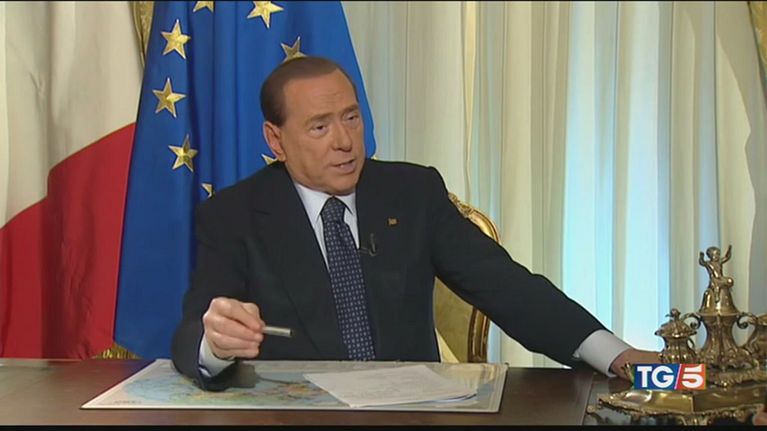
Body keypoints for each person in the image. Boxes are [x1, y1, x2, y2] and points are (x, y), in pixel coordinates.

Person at [171, 56, 658, 391]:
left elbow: (507, 287)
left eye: (351, 117)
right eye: (320, 126)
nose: (345, 141)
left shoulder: (412, 192)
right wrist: (216, 343)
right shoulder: (234, 215)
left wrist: (614, 354)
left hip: (412, 414)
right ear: (275, 140)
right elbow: (192, 331)